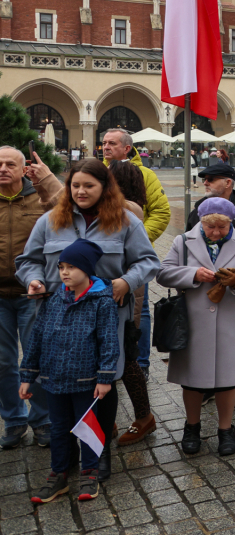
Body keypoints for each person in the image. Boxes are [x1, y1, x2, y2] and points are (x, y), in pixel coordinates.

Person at [16, 159, 159, 482]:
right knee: (62, 389)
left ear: (105, 188)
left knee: (102, 389)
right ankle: (66, 456)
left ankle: (100, 453)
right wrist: (35, 279)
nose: (81, 191)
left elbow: (149, 261)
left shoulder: (124, 220)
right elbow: (27, 260)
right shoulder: (51, 220)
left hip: (105, 319)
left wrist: (126, 281)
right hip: (58, 320)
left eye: (89, 186)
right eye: (75, 185)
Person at [157, 198, 235, 455]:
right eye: (210, 226)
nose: (215, 232)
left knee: (227, 380)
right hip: (193, 322)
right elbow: (163, 273)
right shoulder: (183, 241)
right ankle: (192, 427)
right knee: (192, 380)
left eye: (221, 227)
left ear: (231, 223)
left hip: (228, 321)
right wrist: (192, 275)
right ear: (201, 222)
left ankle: (226, 429)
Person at [19, 239, 117, 503]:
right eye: (61, 266)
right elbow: (37, 337)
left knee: (87, 427)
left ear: (87, 270)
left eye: (72, 266)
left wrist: (105, 377)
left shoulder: (101, 302)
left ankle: (89, 471)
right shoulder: (53, 300)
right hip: (53, 380)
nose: (64, 272)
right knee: (59, 428)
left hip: (86, 380)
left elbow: (108, 340)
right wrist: (28, 376)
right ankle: (59, 474)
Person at [0, 146, 60, 450]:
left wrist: (48, 179)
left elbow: (70, 213)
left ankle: (42, 420)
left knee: (35, 359)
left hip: (32, 293)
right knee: (3, 362)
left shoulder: (41, 198)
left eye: (10, 164)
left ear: (25, 169)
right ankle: (13, 420)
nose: (2, 169)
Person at [100, 129, 169, 382]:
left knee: (141, 309)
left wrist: (138, 241)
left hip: (134, 257)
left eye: (112, 143)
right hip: (101, 255)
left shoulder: (146, 174)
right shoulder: (97, 172)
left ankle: (140, 362)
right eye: (104, 143)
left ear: (127, 148)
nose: (106, 147)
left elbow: (161, 212)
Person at [105, 161, 157, 446]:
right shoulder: (129, 206)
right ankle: (109, 416)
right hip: (118, 297)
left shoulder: (127, 210)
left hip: (122, 298)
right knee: (115, 360)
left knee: (126, 361)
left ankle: (143, 417)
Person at [185, 162, 235, 233]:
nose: (205, 183)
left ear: (228, 183)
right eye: (204, 179)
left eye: (210, 179)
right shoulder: (197, 211)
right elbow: (188, 241)